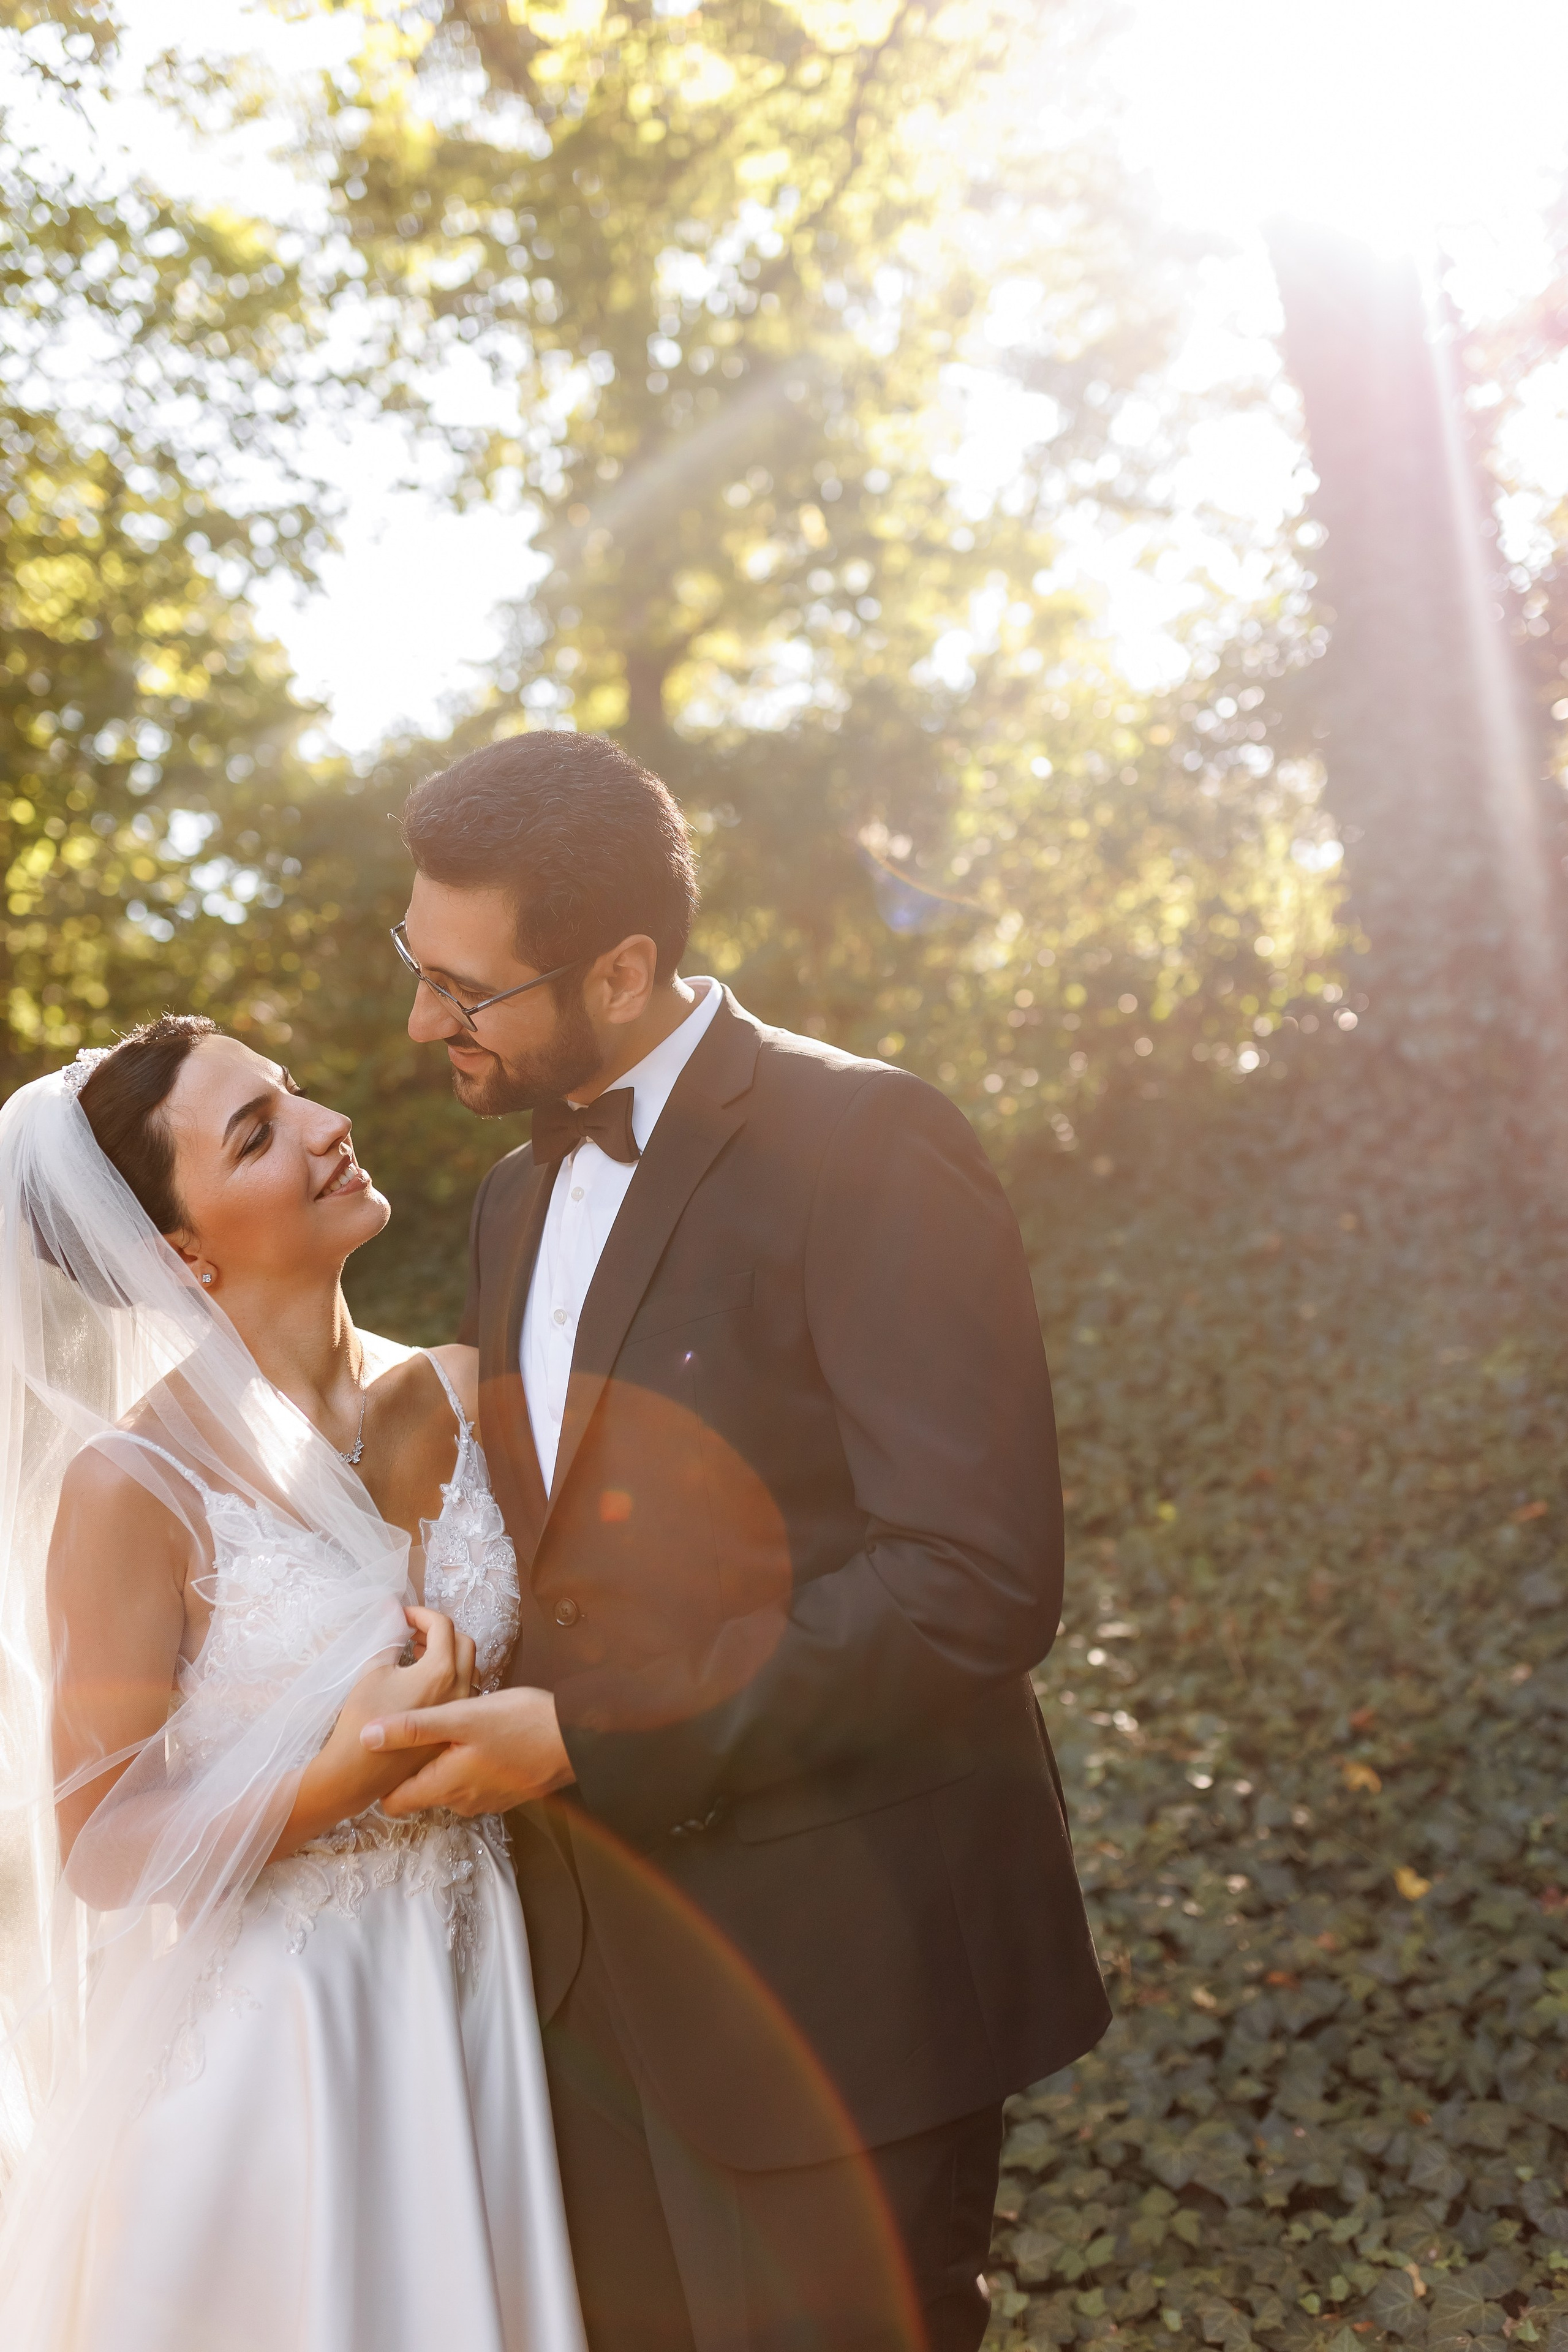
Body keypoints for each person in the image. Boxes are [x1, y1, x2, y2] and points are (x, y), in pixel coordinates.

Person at [366, 731, 1112, 2352]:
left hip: (842, 1989)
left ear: (622, 968)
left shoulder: (867, 1144)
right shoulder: (508, 1199)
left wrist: (576, 1736)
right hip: (590, 1995)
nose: (424, 1018)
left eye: (466, 989)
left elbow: (970, 1584)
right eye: (415, 966)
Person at [0, 1017, 584, 2351]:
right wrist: (348, 1770)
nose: (326, 1125)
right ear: (177, 1253)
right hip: (286, 2052)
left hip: (489, 1990)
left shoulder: (465, 1391)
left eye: (293, 1091)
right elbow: (99, 1839)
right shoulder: (132, 1489)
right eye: (257, 1133)